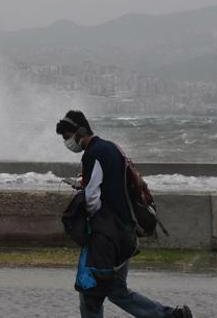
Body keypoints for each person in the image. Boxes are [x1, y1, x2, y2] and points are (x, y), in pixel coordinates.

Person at [56, 110, 194, 318]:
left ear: (81, 132)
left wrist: (88, 214)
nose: (68, 142)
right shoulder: (112, 148)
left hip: (106, 237)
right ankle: (171, 316)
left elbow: (93, 196)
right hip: (125, 232)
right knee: (116, 290)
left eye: (68, 137)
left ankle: (169, 316)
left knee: (90, 293)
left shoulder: (93, 154)